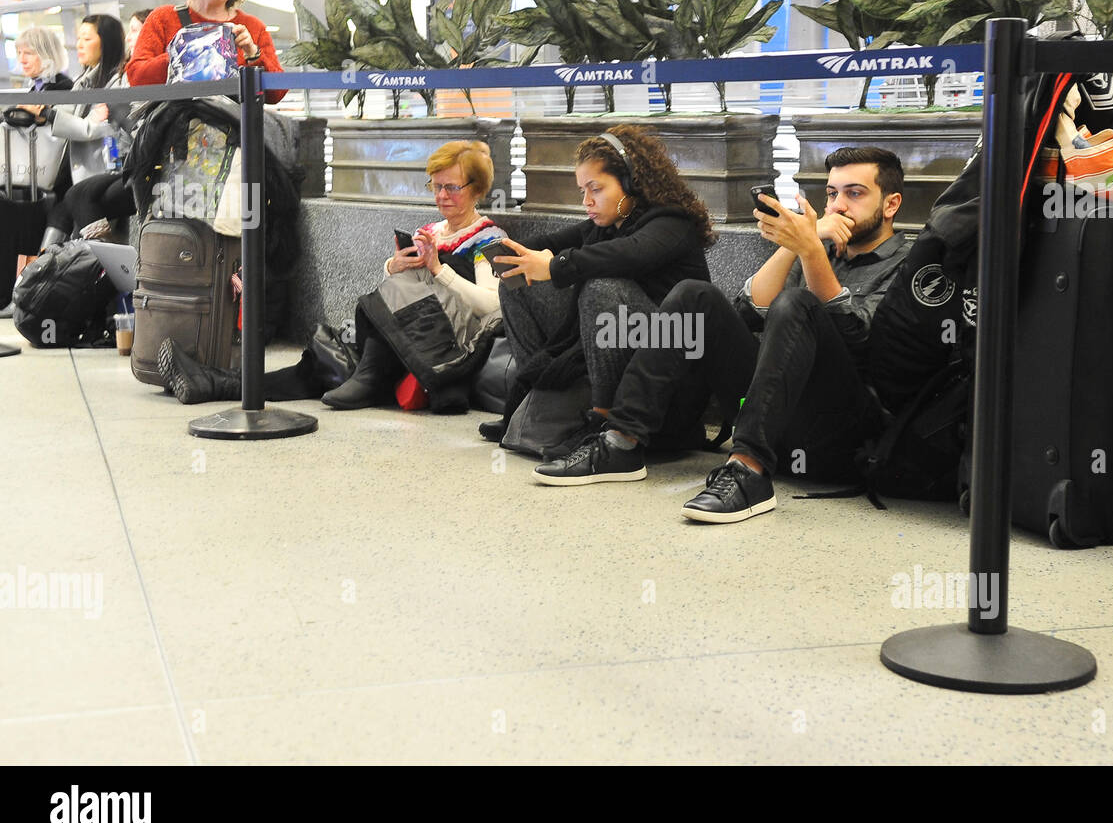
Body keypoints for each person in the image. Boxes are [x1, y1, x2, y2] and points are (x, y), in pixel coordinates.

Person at [533, 146, 910, 525]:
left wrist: (811, 252)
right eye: (831, 194)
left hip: (841, 431)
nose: (838, 205)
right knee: (694, 294)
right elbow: (745, 312)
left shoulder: (907, 265)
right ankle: (622, 440)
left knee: (796, 303)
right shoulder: (820, 248)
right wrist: (797, 246)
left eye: (854, 193)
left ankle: (749, 470)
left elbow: (861, 342)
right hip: (769, 415)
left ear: (891, 204)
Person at [157, 141, 507, 409]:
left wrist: (438, 270)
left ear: (476, 190)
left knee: (335, 366)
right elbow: (396, 292)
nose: (442, 196)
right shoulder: (430, 229)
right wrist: (393, 267)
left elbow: (492, 305)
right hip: (409, 333)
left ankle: (217, 382)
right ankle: (215, 383)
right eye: (436, 186)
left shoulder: (487, 238)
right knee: (321, 366)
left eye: (452, 188)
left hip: (445, 344)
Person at [481, 125, 714, 447]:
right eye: (582, 191)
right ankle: (539, 404)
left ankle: (603, 423)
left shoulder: (672, 223)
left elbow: (629, 254)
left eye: (596, 189)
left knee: (602, 287)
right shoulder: (604, 225)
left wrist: (553, 265)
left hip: (672, 352)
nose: (587, 201)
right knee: (518, 282)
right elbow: (549, 243)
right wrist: (509, 252)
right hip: (622, 339)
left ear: (632, 183)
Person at [125, 0, 286, 104]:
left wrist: (253, 54)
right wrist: (183, 54)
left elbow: (277, 94)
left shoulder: (252, 27)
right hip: (178, 128)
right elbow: (137, 78)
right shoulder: (163, 18)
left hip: (237, 128)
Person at [39, 15, 136, 241]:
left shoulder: (119, 82)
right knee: (56, 228)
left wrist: (49, 115)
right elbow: (77, 121)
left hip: (106, 173)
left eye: (87, 38)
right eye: (78, 38)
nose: (79, 44)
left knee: (83, 236)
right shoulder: (83, 80)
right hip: (77, 177)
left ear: (107, 42)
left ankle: (101, 266)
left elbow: (100, 128)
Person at [0, 27, 74, 318]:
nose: (22, 59)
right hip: (32, 177)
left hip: (51, 180)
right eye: (19, 53)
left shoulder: (62, 89)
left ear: (45, 53)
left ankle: (15, 294)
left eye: (28, 52)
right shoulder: (38, 88)